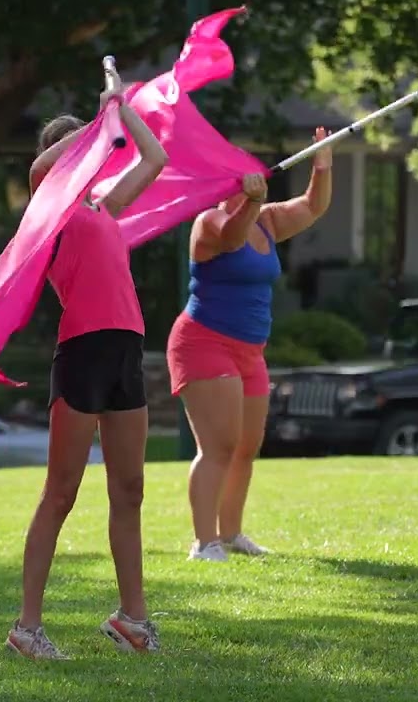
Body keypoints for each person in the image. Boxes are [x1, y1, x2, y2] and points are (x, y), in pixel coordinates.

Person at [6, 71, 168, 660]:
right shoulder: (47, 210)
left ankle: (132, 619)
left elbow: (155, 158)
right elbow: (37, 172)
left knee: (129, 490)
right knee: (61, 494)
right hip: (82, 353)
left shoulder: (105, 204)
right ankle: (27, 627)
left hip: (125, 349)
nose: (93, 161)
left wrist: (121, 113)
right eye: (85, 151)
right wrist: (95, 127)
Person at [168, 127, 334, 562]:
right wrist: (253, 201)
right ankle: (204, 543)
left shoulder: (267, 219)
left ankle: (232, 534)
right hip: (203, 343)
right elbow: (231, 239)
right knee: (218, 446)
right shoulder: (210, 221)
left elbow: (314, 206)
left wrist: (323, 162)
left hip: (250, 350)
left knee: (246, 446)